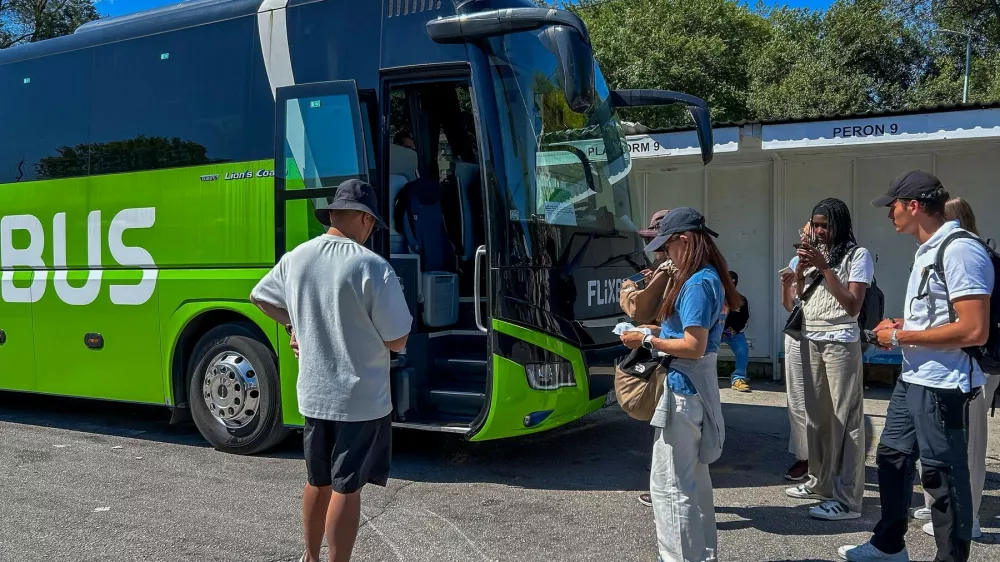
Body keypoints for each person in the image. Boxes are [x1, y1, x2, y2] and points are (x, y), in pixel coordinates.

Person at [249, 179, 413, 562]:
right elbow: (398, 340)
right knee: (347, 487)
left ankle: (310, 556)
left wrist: (296, 328)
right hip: (361, 400)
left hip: (313, 394)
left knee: (317, 480)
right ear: (363, 218)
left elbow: (259, 296)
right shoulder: (372, 266)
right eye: (371, 224)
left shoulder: (297, 257)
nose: (371, 231)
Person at [839, 171, 992, 562]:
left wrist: (901, 338)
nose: (888, 213)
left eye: (892, 205)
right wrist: (905, 325)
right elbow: (942, 316)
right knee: (891, 455)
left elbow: (974, 329)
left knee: (943, 477)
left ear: (914, 205)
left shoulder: (960, 249)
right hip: (915, 376)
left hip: (943, 382)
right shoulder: (928, 249)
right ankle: (890, 544)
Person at [620, 207, 741, 562]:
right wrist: (656, 331)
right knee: (694, 483)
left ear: (684, 241)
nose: (664, 254)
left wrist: (646, 341)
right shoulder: (708, 278)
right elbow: (691, 334)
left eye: (668, 246)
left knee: (669, 487)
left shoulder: (696, 283)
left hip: (682, 391)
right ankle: (701, 555)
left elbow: (693, 345)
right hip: (695, 389)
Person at [905, 196, 998, 541]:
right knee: (941, 442)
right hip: (948, 365)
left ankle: (968, 517)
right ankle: (939, 504)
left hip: (973, 365)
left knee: (969, 444)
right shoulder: (941, 255)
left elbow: (970, 325)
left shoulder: (967, 254)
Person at [785, 198, 872, 521]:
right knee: (817, 417)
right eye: (816, 224)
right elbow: (799, 300)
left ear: (841, 225)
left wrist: (823, 267)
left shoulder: (857, 255)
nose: (820, 230)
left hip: (840, 342)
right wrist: (801, 271)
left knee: (845, 420)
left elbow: (852, 305)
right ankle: (819, 483)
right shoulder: (815, 256)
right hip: (810, 337)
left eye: (826, 225)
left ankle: (849, 500)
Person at [627, 208, 672, 508]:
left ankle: (665, 492)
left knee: (669, 432)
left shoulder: (676, 272)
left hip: (677, 365)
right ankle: (666, 487)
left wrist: (630, 289)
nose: (653, 250)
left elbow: (638, 310)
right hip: (680, 362)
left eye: (656, 242)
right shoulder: (676, 270)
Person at [780, 221, 812, 482]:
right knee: (798, 398)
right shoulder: (795, 261)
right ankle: (804, 457)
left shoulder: (842, 258)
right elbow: (789, 305)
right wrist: (787, 283)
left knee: (827, 400)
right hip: (798, 333)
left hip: (827, 334)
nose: (802, 235)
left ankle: (829, 457)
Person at [722, 270, 751, 392]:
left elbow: (744, 319)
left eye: (733, 283)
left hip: (733, 333)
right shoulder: (715, 297)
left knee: (742, 347)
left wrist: (735, 329)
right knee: (705, 348)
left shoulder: (741, 300)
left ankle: (738, 379)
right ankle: (702, 376)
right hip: (714, 332)